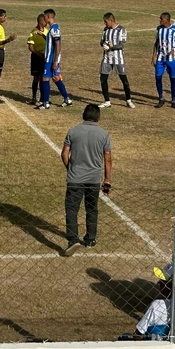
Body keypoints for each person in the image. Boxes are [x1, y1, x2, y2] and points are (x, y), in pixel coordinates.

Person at [61, 104, 112, 256]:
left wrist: (71, 169)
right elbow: (108, 158)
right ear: (98, 117)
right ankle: (90, 238)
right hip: (94, 179)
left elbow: (64, 153)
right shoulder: (104, 135)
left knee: (71, 209)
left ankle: (73, 239)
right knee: (91, 208)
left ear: (83, 115)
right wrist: (107, 180)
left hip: (75, 178)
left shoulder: (73, 131)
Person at [99, 13, 134, 109]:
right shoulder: (106, 30)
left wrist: (112, 46)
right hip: (107, 58)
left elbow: (122, 45)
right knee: (103, 79)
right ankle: (107, 101)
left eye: (105, 22)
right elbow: (101, 41)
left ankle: (128, 100)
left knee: (124, 80)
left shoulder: (121, 30)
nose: (104, 23)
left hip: (118, 59)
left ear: (111, 20)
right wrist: (104, 44)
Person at [41, 8, 71, 109]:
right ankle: (67, 99)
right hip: (52, 59)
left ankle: (46, 102)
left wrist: (55, 60)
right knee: (56, 78)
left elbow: (58, 44)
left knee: (45, 79)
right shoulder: (53, 28)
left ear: (48, 17)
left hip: (51, 59)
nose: (44, 18)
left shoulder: (54, 28)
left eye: (44, 16)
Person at [152, 12, 175, 109]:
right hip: (160, 58)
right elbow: (156, 43)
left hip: (172, 59)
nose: (160, 20)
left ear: (167, 20)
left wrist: (174, 49)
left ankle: (173, 100)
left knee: (173, 79)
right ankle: (161, 98)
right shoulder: (159, 29)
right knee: (158, 78)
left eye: (161, 19)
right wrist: (153, 57)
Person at [27, 14, 48, 106]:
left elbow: (50, 41)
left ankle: (43, 98)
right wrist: (36, 53)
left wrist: (43, 34)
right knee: (36, 77)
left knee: (44, 77)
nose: (46, 22)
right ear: (40, 22)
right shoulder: (33, 32)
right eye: (45, 21)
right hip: (36, 57)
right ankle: (34, 97)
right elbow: (30, 46)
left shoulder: (47, 31)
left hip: (45, 57)